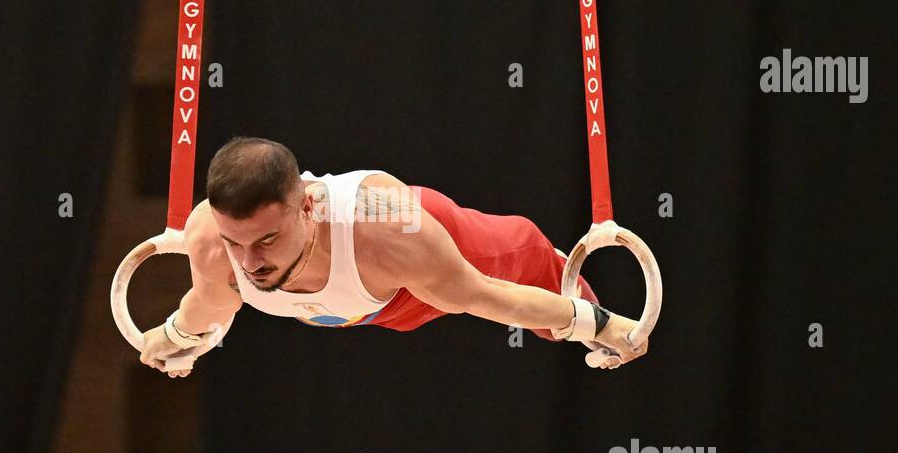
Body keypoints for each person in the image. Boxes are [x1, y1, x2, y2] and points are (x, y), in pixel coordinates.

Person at [140, 137, 649, 376]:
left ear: (308, 205)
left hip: (414, 248)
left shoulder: (386, 230)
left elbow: (483, 297)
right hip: (379, 309)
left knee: (517, 253)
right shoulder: (212, 241)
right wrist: (175, 339)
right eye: (237, 243)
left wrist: (597, 324)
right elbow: (209, 304)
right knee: (419, 303)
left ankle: (551, 268)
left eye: (267, 240)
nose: (248, 263)